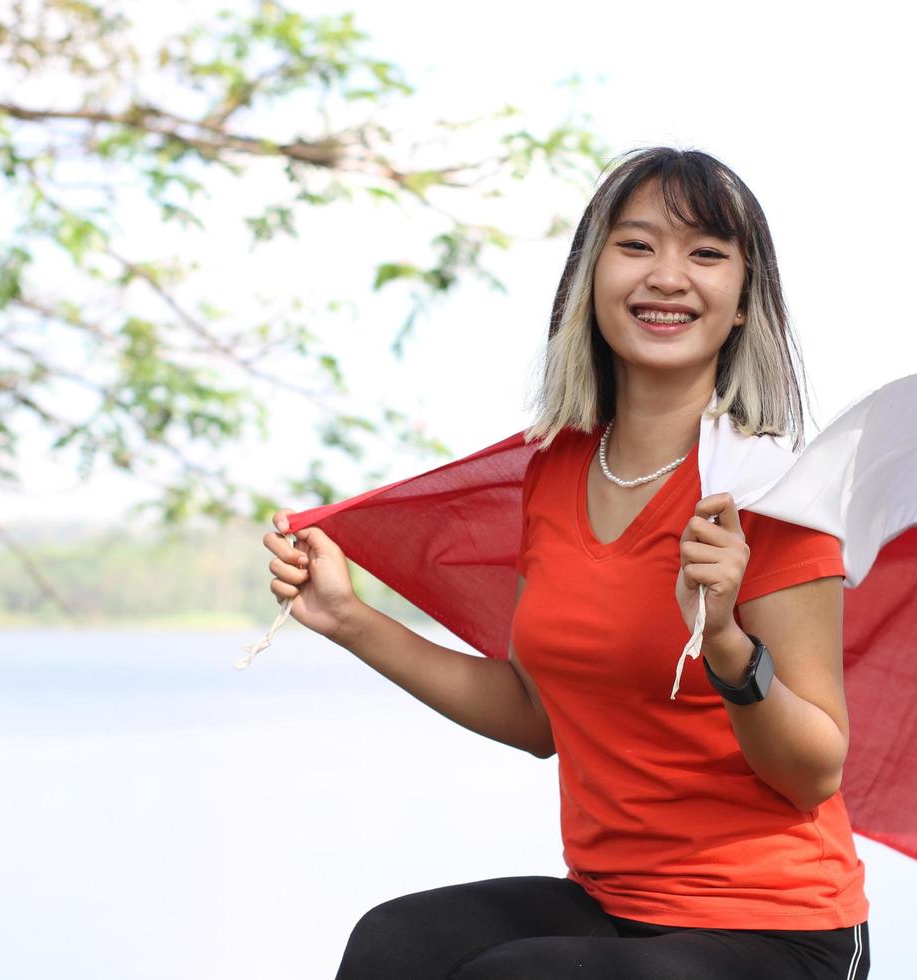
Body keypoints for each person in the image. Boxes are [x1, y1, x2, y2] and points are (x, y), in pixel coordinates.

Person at [263, 146, 871, 979]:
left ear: (741, 303)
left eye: (705, 253)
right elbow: (536, 716)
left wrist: (726, 640)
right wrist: (350, 620)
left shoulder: (769, 491)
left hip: (772, 927)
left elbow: (814, 772)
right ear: (591, 278)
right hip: (614, 901)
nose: (667, 276)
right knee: (394, 946)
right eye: (637, 245)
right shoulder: (555, 468)